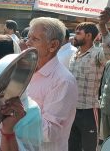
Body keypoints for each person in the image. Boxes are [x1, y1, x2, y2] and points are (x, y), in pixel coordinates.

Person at [25, 17, 78, 150]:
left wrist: (18, 112)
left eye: (35, 39)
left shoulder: (63, 81)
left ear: (53, 45)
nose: (27, 43)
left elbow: (49, 133)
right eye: (28, 37)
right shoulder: (25, 71)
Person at [68, 8, 110, 151]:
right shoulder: (75, 55)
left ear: (89, 36)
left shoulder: (97, 55)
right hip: (72, 110)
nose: (74, 37)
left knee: (89, 148)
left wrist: (102, 26)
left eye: (78, 33)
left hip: (89, 111)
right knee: (72, 147)